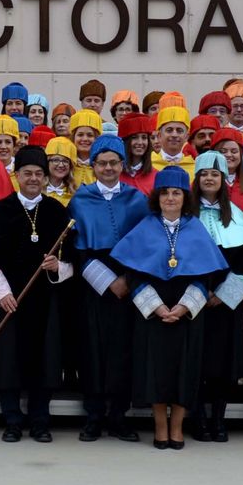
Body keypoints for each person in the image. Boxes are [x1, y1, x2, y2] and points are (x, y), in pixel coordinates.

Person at [111, 167, 228, 449]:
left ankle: (177, 427)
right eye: (165, 193)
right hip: (153, 313)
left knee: (184, 370)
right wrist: (157, 307)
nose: (171, 198)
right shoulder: (146, 227)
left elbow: (205, 276)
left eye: (176, 193)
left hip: (187, 314)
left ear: (185, 197)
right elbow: (134, 276)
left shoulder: (195, 227)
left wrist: (185, 306)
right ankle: (160, 427)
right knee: (155, 371)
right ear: (157, 197)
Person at [0, 145, 74, 443]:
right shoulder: (0, 210)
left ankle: (40, 420)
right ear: (16, 176)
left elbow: (73, 258)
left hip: (45, 299)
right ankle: (12, 420)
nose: (33, 179)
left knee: (45, 358)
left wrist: (58, 266)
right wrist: (1, 293)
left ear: (45, 177)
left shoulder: (57, 211)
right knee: (8, 359)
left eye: (38, 174)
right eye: (27, 173)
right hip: (9, 299)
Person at [67, 134, 150, 442]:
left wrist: (126, 280)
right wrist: (107, 281)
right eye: (102, 163)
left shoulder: (137, 199)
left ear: (122, 164)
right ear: (93, 166)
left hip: (128, 283)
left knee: (123, 351)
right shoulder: (81, 199)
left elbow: (144, 245)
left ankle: (119, 416)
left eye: (114, 163)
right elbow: (77, 249)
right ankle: (93, 416)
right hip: (94, 284)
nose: (108, 168)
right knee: (93, 351)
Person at [191, 151, 243, 442]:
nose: (209, 178)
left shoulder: (237, 216)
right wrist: (197, 293)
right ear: (197, 179)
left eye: (215, 174)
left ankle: (218, 418)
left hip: (224, 302)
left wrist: (223, 294)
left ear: (223, 180)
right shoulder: (185, 215)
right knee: (196, 362)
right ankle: (198, 419)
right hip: (192, 300)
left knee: (223, 363)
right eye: (205, 173)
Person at [118, 113, 156, 194]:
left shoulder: (156, 176)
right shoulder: (115, 174)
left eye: (144, 137)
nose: (140, 142)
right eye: (134, 137)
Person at [44, 136, 78, 205]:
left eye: (65, 161)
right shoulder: (36, 190)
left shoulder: (74, 195)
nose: (61, 165)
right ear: (47, 162)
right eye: (56, 160)